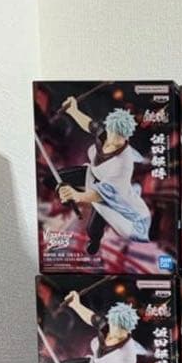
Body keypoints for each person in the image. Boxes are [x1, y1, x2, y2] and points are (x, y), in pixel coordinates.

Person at [55, 98, 151, 254]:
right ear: (109, 129)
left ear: (127, 137)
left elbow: (101, 195)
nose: (116, 140)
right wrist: (73, 110)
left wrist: (77, 196)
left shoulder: (124, 162)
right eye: (114, 133)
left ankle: (95, 241)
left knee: (94, 227)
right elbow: (88, 124)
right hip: (95, 174)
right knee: (58, 178)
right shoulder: (103, 133)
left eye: (122, 136)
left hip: (110, 193)